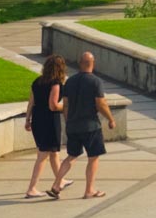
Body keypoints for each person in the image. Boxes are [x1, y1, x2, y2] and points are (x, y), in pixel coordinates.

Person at [48, 51, 116, 200]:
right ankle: (89, 190)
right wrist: (110, 119)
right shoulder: (95, 81)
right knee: (93, 157)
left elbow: (65, 105)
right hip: (91, 126)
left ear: (80, 64)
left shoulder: (69, 82)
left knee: (71, 156)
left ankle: (56, 184)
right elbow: (101, 103)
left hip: (73, 126)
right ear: (93, 63)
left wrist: (68, 121)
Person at [24, 55, 71, 199]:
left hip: (37, 119)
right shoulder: (55, 83)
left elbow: (31, 102)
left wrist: (27, 120)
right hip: (49, 121)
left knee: (53, 153)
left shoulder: (37, 81)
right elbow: (53, 105)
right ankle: (31, 188)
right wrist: (67, 107)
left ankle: (60, 179)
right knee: (43, 155)